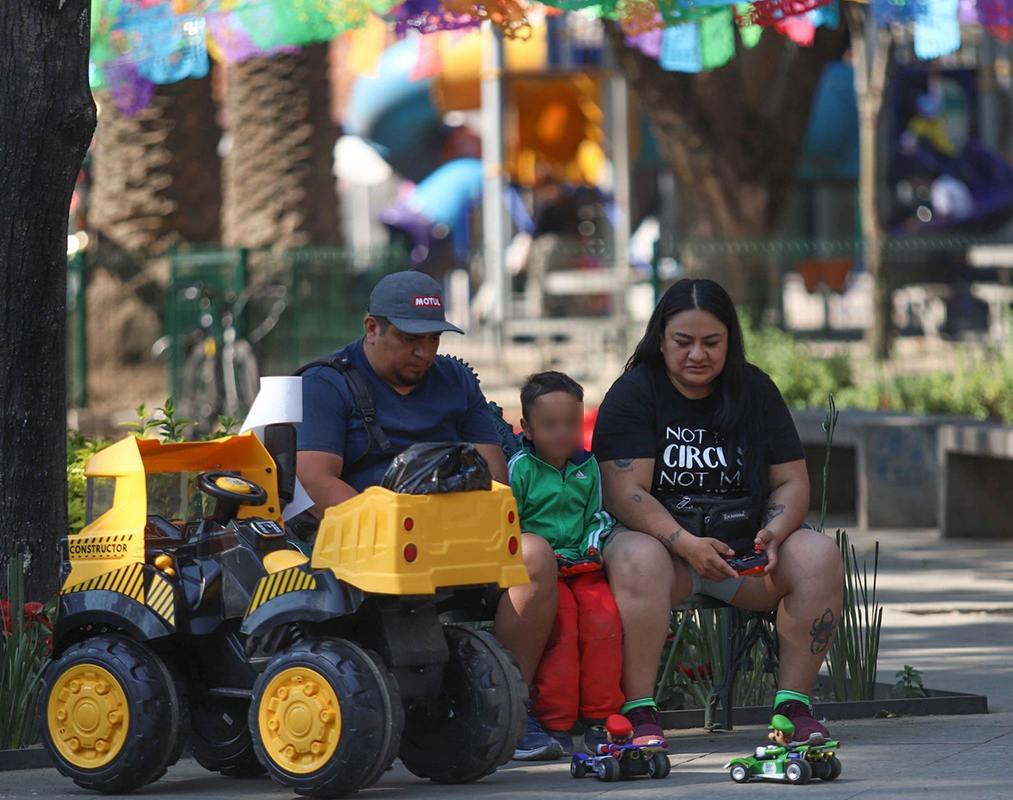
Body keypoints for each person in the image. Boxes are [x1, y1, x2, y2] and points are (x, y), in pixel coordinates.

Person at [294, 270, 560, 756]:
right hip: (363, 540)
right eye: (410, 338)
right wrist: (393, 528)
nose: (424, 352)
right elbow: (315, 482)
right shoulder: (328, 383)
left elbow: (493, 472)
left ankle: (506, 710)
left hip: (452, 533)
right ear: (371, 328)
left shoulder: (455, 378)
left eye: (433, 338)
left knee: (536, 557)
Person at [592, 278, 843, 747]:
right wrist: (684, 543)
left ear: (730, 340)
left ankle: (793, 708)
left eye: (712, 342)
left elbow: (792, 480)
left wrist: (775, 530)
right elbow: (624, 491)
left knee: (819, 555)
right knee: (636, 556)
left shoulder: (756, 390)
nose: (697, 355)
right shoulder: (634, 393)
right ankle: (640, 713)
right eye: (683, 342)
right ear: (660, 340)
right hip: (667, 558)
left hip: (745, 555)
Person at [506, 372, 621, 760]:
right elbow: (511, 523)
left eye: (571, 424)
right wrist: (543, 555)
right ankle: (554, 720)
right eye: (550, 425)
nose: (562, 434)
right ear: (527, 427)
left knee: (603, 617)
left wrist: (590, 548)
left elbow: (598, 517)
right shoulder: (519, 469)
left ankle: (601, 717)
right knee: (561, 622)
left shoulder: (588, 467)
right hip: (542, 571)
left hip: (583, 565)